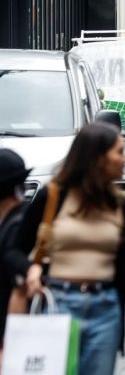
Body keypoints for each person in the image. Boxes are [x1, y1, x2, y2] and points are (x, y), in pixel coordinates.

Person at [8, 123, 125, 375]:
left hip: (105, 308)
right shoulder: (53, 196)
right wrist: (31, 270)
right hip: (59, 303)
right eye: (119, 151)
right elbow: (13, 250)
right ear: (98, 158)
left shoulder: (123, 207)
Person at [0, 149, 30, 360]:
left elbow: (20, 289)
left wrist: (11, 346)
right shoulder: (22, 218)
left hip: (13, 332)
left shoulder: (17, 226)